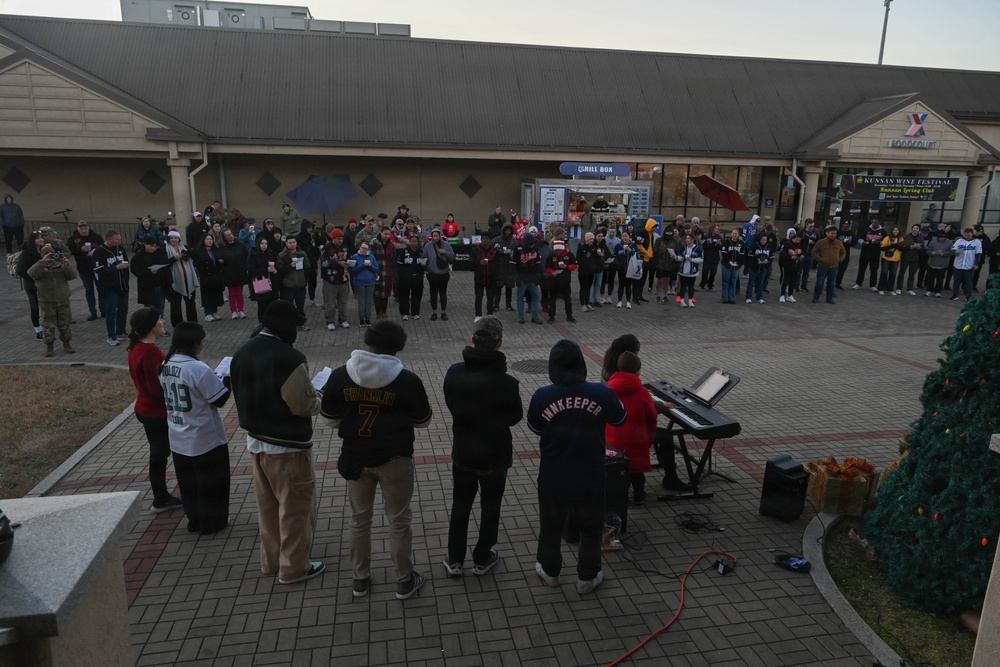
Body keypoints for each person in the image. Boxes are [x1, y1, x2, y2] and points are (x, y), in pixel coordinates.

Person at [321, 321, 433, 600]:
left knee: (359, 520)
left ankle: (360, 579)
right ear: (398, 346)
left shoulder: (339, 376)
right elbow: (423, 421)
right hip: (395, 459)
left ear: (368, 341)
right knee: (398, 521)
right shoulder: (408, 381)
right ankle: (404, 580)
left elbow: (328, 419)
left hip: (356, 459)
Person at [230, 300, 325, 584]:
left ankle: (271, 562)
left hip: (256, 444)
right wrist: (318, 396)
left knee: (268, 509)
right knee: (295, 510)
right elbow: (302, 405)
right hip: (287, 448)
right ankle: (295, 568)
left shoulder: (242, 351)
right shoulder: (288, 357)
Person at [528, 339, 627, 595]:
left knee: (550, 526)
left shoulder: (542, 396)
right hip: (590, 473)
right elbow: (620, 418)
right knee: (591, 528)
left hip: (553, 474)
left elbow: (536, 427)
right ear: (581, 363)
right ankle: (588, 577)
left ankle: (550, 572)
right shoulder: (601, 392)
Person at [442, 316, 522, 576]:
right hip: (495, 456)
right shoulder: (508, 383)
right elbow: (514, 418)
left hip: (463, 452)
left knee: (460, 503)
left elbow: (451, 403)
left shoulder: (454, 372)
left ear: (473, 340)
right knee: (491, 506)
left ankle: (455, 559)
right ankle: (482, 556)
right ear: (499, 343)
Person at [159, 322, 231, 535]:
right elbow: (219, 399)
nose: (204, 343)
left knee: (188, 484)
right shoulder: (197, 368)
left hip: (178, 434)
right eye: (202, 340)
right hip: (204, 436)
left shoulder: (166, 364)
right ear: (194, 344)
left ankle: (194, 520)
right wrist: (227, 379)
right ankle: (212, 523)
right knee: (212, 484)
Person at [127, 308, 182, 513]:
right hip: (155, 413)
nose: (163, 321)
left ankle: (161, 496)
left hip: (144, 408)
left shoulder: (136, 347)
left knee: (157, 454)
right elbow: (155, 388)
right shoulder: (150, 352)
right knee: (160, 455)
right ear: (151, 326)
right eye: (159, 319)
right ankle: (160, 498)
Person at [604, 351, 657, 504]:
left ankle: (618, 497)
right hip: (636, 439)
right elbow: (651, 417)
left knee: (618, 471)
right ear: (638, 371)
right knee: (636, 471)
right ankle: (639, 494)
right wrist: (649, 440)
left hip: (613, 439)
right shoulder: (642, 392)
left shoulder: (608, 389)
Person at [27, 244, 77, 357]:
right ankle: (49, 346)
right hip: (47, 301)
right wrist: (42, 262)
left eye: (51, 253)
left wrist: (66, 264)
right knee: (48, 326)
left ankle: (67, 344)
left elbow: (72, 276)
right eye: (46, 254)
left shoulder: (60, 265)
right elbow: (31, 274)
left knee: (65, 323)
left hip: (62, 299)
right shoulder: (39, 266)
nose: (50, 256)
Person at [92, 229, 131, 346]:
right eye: (116, 239)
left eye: (119, 239)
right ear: (108, 239)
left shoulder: (120, 249)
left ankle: (121, 331)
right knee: (111, 311)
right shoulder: (99, 251)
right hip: (109, 287)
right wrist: (116, 267)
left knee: (123, 309)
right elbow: (98, 269)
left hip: (123, 285)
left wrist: (126, 276)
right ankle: (111, 336)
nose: (119, 241)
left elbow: (126, 263)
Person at [14, 231, 46, 340]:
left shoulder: (44, 250)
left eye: (41, 237)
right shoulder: (26, 253)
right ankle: (38, 330)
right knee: (35, 307)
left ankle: (47, 327)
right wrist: (32, 276)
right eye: (37, 238)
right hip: (31, 285)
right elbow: (20, 271)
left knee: (46, 306)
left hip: (44, 284)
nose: (40, 239)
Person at [130, 237, 172, 319]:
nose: (153, 248)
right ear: (145, 245)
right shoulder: (139, 256)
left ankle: (160, 327)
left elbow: (166, 266)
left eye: (155, 246)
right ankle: (150, 328)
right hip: (148, 287)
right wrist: (148, 271)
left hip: (160, 285)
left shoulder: (160, 253)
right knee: (150, 310)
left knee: (160, 308)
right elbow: (135, 271)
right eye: (151, 246)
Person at [164, 230, 199, 327]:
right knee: (176, 304)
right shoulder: (165, 249)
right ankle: (178, 325)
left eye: (175, 238)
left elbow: (194, 254)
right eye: (171, 238)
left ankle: (193, 323)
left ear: (179, 239)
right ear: (169, 239)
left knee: (190, 302)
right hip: (174, 281)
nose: (173, 240)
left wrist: (187, 255)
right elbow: (164, 263)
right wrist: (175, 258)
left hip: (188, 279)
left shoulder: (184, 248)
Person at [320, 228, 352, 330]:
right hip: (330, 280)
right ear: (333, 238)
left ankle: (343, 320)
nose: (340, 241)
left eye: (342, 239)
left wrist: (349, 263)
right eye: (338, 238)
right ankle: (330, 321)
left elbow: (349, 259)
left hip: (344, 279)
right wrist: (338, 263)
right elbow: (324, 263)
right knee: (330, 302)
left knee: (343, 302)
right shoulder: (326, 249)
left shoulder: (345, 248)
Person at [275, 236, 310, 330]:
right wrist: (290, 266)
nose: (292, 244)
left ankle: (301, 323)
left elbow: (307, 268)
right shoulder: (282, 255)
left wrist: (305, 281)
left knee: (300, 306)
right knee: (288, 306)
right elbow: (280, 270)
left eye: (294, 242)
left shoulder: (302, 254)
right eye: (290, 242)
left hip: (300, 285)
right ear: (286, 244)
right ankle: (289, 324)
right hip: (288, 286)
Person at [192, 233, 225, 321]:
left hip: (216, 275)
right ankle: (207, 313)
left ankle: (214, 311)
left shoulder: (215, 250)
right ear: (203, 241)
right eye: (207, 239)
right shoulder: (199, 251)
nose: (210, 241)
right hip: (206, 276)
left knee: (215, 294)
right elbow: (196, 263)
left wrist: (220, 261)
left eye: (211, 239)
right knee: (207, 295)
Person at [423, 228, 455, 321]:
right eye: (434, 236)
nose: (435, 238)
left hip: (444, 273)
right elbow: (424, 257)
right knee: (433, 293)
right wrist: (424, 264)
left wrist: (445, 252)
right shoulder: (428, 246)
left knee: (443, 293)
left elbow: (452, 258)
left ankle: (443, 312)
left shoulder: (446, 245)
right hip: (432, 273)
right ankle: (434, 312)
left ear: (440, 236)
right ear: (431, 236)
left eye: (437, 236)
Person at [246, 234, 278, 323]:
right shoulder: (253, 255)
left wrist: (274, 270)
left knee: (271, 305)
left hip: (271, 283)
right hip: (261, 283)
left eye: (266, 244)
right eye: (262, 244)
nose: (264, 246)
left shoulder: (270, 254)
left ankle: (271, 321)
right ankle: (262, 323)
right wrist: (265, 270)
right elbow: (251, 270)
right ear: (258, 244)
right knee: (262, 306)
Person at [544, 239, 578, 323]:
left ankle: (569, 316)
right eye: (556, 250)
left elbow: (575, 265)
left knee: (568, 300)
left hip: (565, 281)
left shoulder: (569, 255)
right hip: (554, 281)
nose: (558, 252)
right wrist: (552, 272)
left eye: (559, 250)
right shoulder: (551, 255)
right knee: (552, 300)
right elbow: (547, 267)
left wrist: (566, 267)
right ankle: (551, 316)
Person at [811, 225, 846, 304]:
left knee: (831, 283)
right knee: (819, 283)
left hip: (834, 267)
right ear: (827, 233)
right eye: (831, 233)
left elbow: (843, 252)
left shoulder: (839, 243)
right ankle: (816, 297)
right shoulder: (821, 242)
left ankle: (829, 298)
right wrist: (820, 259)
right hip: (823, 266)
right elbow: (814, 252)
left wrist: (840, 259)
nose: (833, 235)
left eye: (835, 233)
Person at [217, 228, 248, 319]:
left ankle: (241, 310)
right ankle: (233, 311)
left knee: (239, 293)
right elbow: (220, 258)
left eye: (231, 234)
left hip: (240, 272)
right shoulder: (223, 248)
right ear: (225, 238)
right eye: (228, 235)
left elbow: (246, 256)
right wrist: (222, 262)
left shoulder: (241, 245)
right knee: (232, 293)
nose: (230, 236)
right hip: (229, 273)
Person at [470, 234, 499, 321]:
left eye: (487, 239)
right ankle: (478, 315)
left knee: (490, 298)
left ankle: (490, 315)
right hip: (479, 278)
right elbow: (470, 263)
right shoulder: (475, 250)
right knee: (478, 297)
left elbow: (498, 264)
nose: (485, 240)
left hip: (491, 278)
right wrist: (479, 263)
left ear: (490, 240)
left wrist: (496, 275)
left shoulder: (494, 251)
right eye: (483, 239)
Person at [350, 241, 379, 327]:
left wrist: (370, 265)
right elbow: (352, 270)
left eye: (365, 249)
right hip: (359, 283)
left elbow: (376, 269)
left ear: (368, 249)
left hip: (370, 282)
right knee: (361, 302)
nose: (363, 250)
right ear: (360, 248)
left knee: (369, 302)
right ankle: (362, 320)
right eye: (362, 248)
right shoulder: (355, 257)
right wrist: (363, 265)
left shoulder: (371, 257)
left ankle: (368, 319)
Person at [853, 217, 886, 291]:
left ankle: (873, 285)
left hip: (875, 253)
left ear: (879, 222)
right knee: (861, 269)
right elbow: (860, 239)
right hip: (865, 253)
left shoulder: (883, 231)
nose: (874, 224)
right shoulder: (866, 230)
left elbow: (885, 242)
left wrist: (879, 243)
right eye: (873, 222)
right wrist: (863, 242)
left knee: (874, 269)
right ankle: (858, 283)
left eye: (875, 222)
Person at [951, 228, 982, 302]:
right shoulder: (959, 241)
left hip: (969, 265)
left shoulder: (977, 242)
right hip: (958, 264)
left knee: (968, 282)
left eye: (968, 235)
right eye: (965, 235)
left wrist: (976, 264)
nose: (967, 236)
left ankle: (968, 296)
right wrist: (955, 252)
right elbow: (953, 250)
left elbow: (978, 254)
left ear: (972, 234)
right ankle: (955, 295)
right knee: (956, 281)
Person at [372, 226, 396, 321]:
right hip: (377, 272)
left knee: (386, 294)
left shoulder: (391, 244)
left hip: (388, 273)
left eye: (388, 234)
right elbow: (371, 257)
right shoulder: (374, 242)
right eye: (385, 234)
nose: (387, 236)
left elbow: (394, 259)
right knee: (377, 294)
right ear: (381, 232)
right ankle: (378, 313)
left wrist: (393, 271)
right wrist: (374, 271)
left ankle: (384, 312)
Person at [676, 233, 703, 308]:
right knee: (683, 286)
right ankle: (682, 301)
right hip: (683, 270)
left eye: (688, 238)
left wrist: (692, 260)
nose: (687, 240)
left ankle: (690, 300)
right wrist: (676, 258)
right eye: (686, 238)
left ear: (692, 240)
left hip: (692, 271)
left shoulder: (697, 249)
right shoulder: (683, 247)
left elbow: (701, 259)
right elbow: (681, 257)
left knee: (691, 286)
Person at [896, 224, 925, 295]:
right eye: (914, 228)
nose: (915, 229)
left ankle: (910, 289)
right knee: (901, 273)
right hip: (906, 257)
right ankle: (899, 288)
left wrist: (919, 248)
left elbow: (922, 249)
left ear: (919, 230)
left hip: (915, 258)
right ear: (912, 229)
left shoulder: (920, 238)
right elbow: (901, 247)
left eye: (917, 228)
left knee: (912, 274)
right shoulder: (907, 237)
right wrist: (909, 247)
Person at [777, 230, 804, 303]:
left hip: (796, 265)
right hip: (787, 265)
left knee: (793, 280)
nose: (798, 241)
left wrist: (801, 256)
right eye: (797, 239)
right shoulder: (787, 244)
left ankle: (790, 295)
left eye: (800, 239)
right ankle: (782, 295)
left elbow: (803, 252)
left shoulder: (800, 245)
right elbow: (782, 254)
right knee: (785, 280)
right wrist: (790, 257)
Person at [745, 233, 772, 304]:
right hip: (754, 267)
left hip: (763, 267)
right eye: (762, 240)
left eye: (765, 240)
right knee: (751, 282)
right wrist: (757, 260)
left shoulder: (768, 246)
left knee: (760, 283)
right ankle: (748, 297)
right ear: (760, 239)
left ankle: (759, 297)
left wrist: (767, 261)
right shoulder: (754, 246)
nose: (763, 241)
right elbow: (750, 256)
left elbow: (771, 257)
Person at [877, 225, 905, 295]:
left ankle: (890, 289)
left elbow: (903, 248)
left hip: (896, 259)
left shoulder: (901, 239)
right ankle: (881, 288)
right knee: (884, 273)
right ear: (892, 231)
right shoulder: (887, 238)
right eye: (894, 230)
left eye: (897, 230)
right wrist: (891, 246)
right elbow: (882, 247)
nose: (895, 231)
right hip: (887, 258)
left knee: (893, 274)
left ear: (899, 231)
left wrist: (898, 246)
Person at [924, 229, 952, 297]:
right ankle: (929, 290)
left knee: (940, 279)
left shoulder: (949, 242)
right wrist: (932, 253)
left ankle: (938, 291)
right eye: (939, 237)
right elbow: (928, 250)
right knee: (930, 278)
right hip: (932, 263)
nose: (941, 238)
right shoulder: (933, 242)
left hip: (942, 264)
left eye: (942, 237)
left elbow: (952, 251)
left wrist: (944, 254)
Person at [720, 229, 743, 304]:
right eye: (733, 233)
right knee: (726, 281)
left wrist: (737, 262)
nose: (734, 235)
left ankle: (732, 298)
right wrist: (729, 261)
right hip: (726, 264)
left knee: (733, 281)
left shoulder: (741, 243)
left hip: (736, 265)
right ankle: (725, 297)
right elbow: (724, 252)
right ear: (731, 234)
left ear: (738, 234)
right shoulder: (726, 242)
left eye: (736, 233)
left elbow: (742, 254)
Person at [798, 219, 819, 291]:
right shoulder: (801, 232)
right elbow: (798, 241)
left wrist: (814, 243)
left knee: (806, 272)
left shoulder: (815, 232)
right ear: (806, 225)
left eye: (813, 226)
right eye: (810, 226)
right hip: (801, 254)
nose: (811, 228)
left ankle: (804, 286)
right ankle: (796, 286)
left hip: (810, 254)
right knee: (798, 271)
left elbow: (819, 242)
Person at [835, 221, 855, 290]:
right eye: (844, 224)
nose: (846, 226)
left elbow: (854, 243)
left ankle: (838, 284)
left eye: (847, 224)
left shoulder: (851, 233)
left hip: (846, 253)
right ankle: (830, 283)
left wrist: (850, 242)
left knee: (842, 269)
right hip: (837, 253)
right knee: (834, 269)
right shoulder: (838, 232)